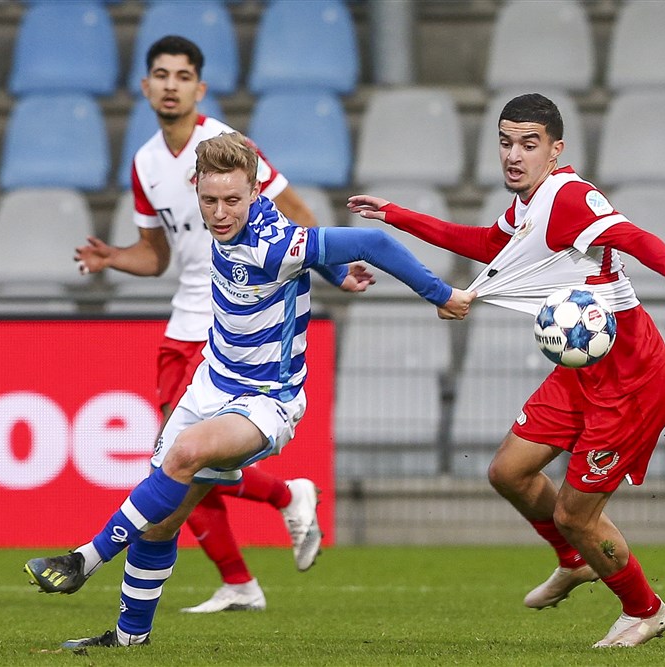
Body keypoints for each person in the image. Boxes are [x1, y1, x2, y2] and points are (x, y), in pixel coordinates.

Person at [26, 131, 475, 648]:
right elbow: (305, 247)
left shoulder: (272, 244)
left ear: (255, 190)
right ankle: (130, 640)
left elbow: (371, 243)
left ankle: (85, 558)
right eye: (210, 200)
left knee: (184, 454)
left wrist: (441, 295)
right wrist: (336, 274)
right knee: (160, 521)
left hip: (267, 400)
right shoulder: (248, 222)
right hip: (210, 383)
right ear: (196, 189)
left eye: (233, 200)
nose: (220, 213)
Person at [348, 93, 665, 649]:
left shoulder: (571, 198)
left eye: (528, 143)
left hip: (631, 378)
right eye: (505, 142)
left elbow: (629, 236)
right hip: (582, 369)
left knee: (575, 512)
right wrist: (397, 215)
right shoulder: (529, 203)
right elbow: (484, 244)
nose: (513, 155)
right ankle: (575, 560)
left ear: (556, 150)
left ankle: (645, 609)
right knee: (509, 473)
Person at [74, 35, 324, 613]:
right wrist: (112, 257)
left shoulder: (228, 151)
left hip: (232, 326)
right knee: (178, 466)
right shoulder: (143, 163)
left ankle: (261, 540)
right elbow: (155, 257)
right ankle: (251, 559)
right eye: (160, 74)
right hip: (180, 325)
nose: (169, 85)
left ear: (199, 88)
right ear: (145, 86)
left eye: (181, 76)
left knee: (177, 464)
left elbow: (302, 223)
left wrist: (319, 272)